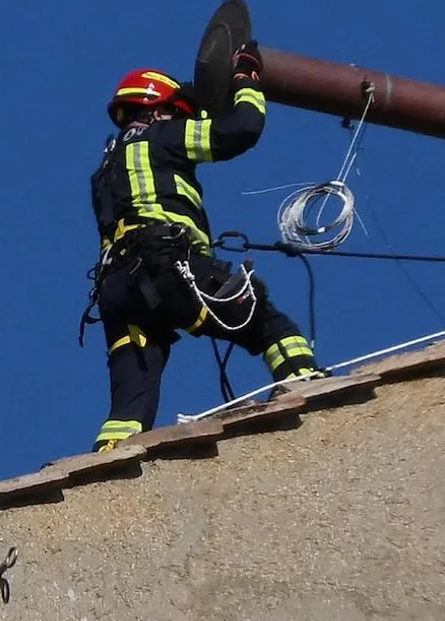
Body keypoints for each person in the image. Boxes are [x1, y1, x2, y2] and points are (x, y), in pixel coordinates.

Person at [83, 41, 322, 452]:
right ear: (159, 108)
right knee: (265, 319)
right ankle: (304, 383)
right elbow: (242, 129)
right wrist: (246, 79)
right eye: (177, 112)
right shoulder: (162, 137)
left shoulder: (103, 169)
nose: (181, 118)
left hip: (118, 291)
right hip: (169, 266)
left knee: (129, 403)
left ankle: (108, 463)